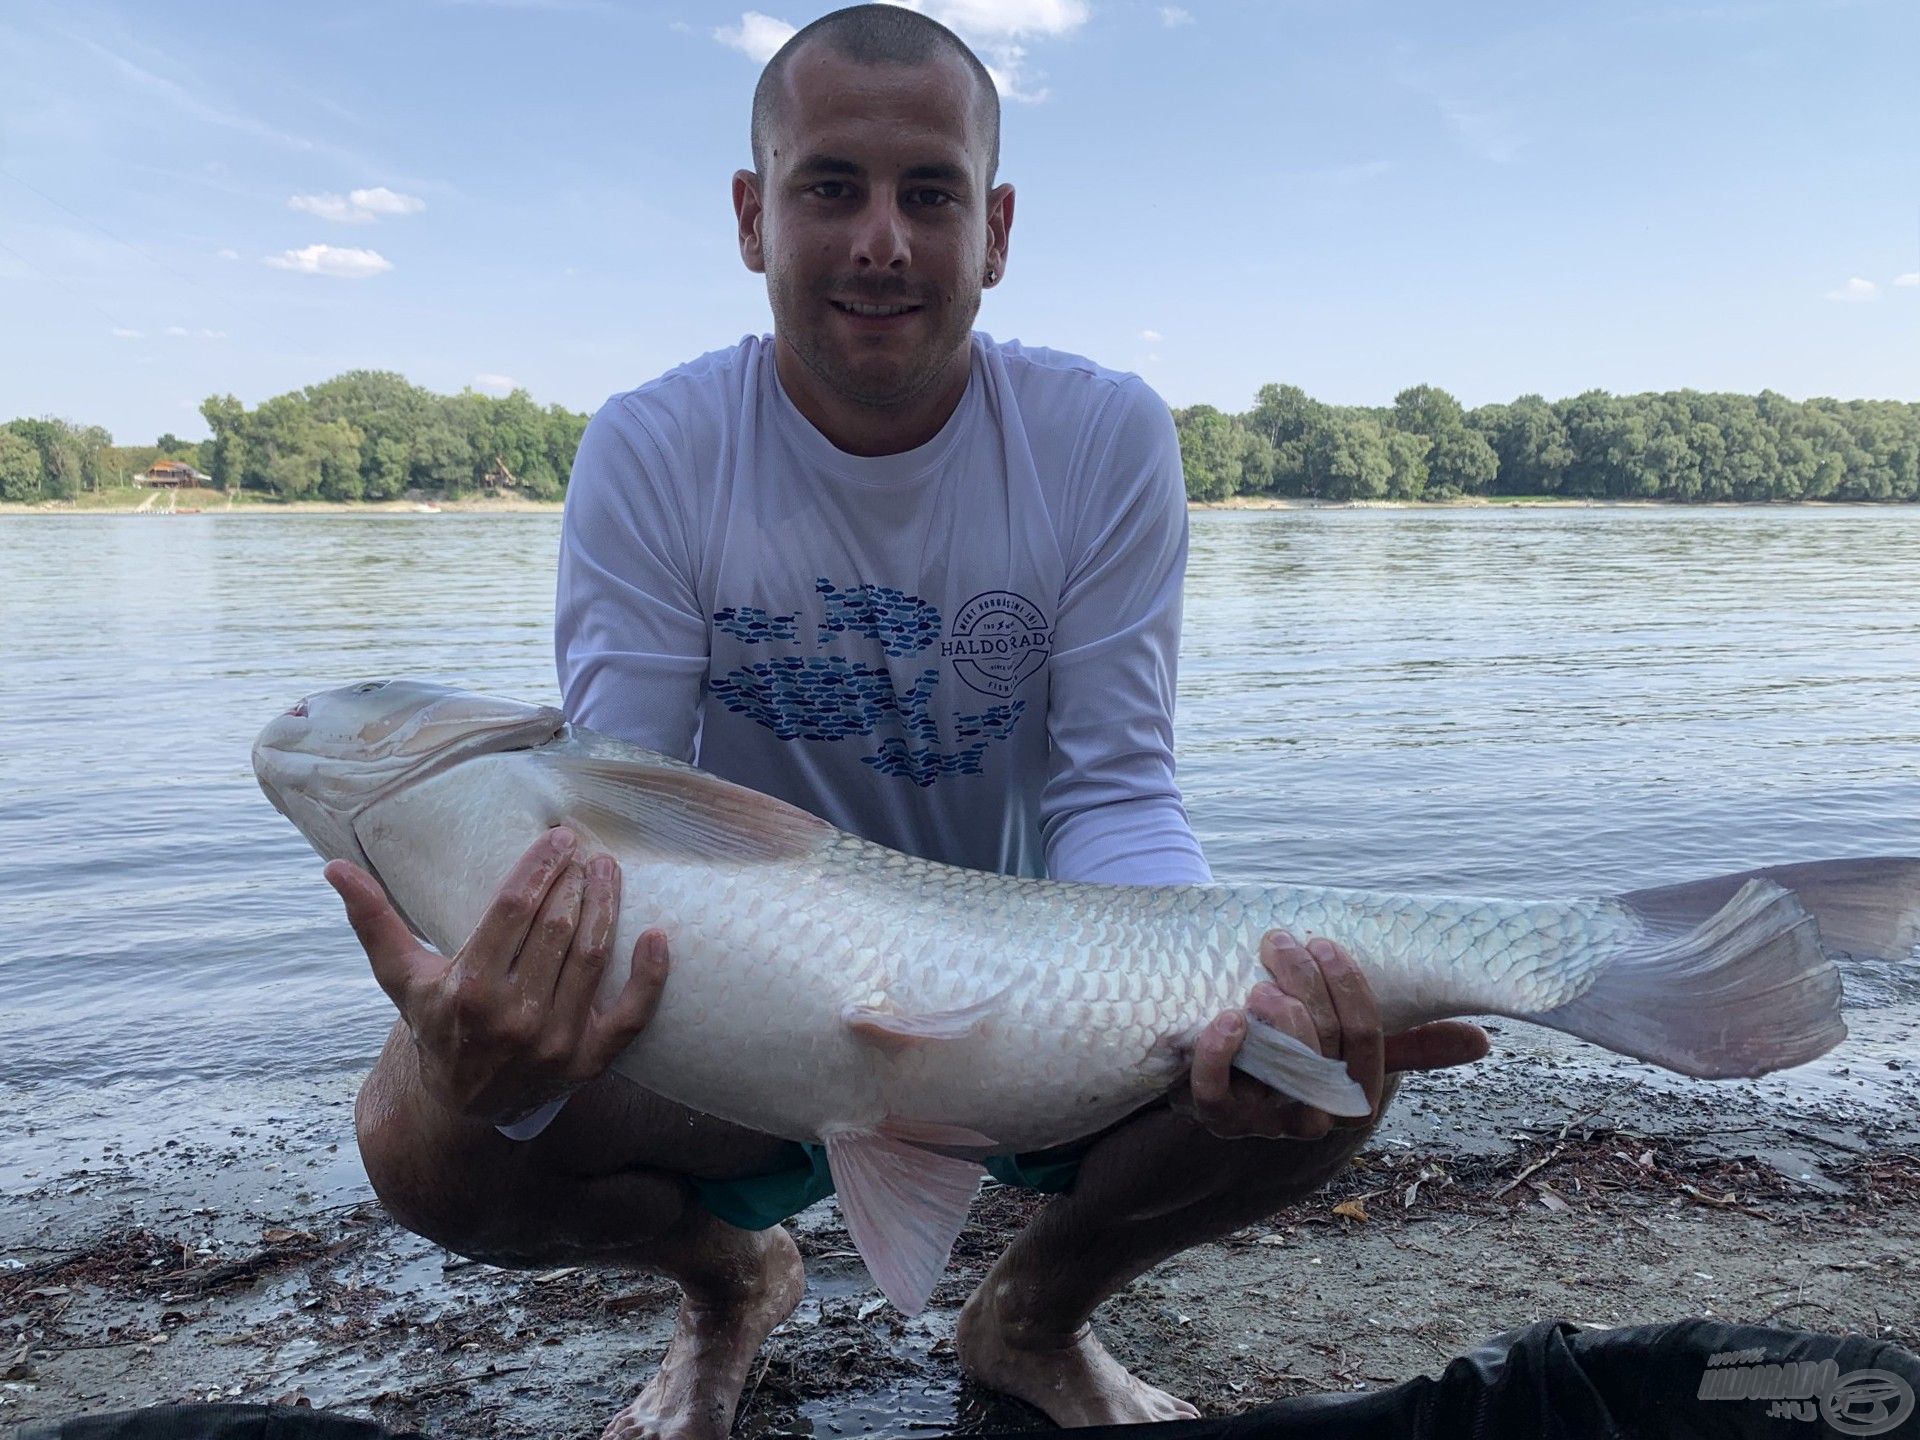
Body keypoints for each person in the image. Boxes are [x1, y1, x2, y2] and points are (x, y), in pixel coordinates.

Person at [323, 7, 1490, 1437]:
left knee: (1334, 1066)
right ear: (754, 218)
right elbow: (622, 799)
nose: (882, 239)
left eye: (927, 193)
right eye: (831, 187)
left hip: (1022, 1014)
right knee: (424, 1134)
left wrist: (1207, 1009)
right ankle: (727, 1288)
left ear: (994, 230)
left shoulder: (1102, 436)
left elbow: (1113, 792)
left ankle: (1031, 1316)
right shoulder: (653, 447)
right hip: (727, 1018)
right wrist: (498, 1023)